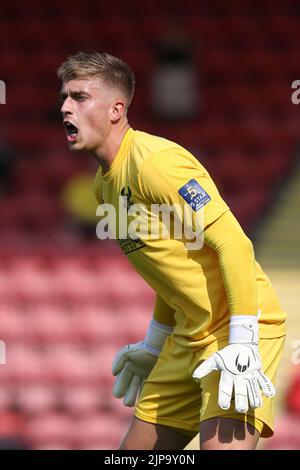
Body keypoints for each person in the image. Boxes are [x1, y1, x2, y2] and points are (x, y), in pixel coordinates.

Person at [57, 52, 286, 450]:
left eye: (79, 97)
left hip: (238, 332)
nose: (64, 107)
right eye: (64, 96)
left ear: (116, 110)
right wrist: (154, 342)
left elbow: (232, 243)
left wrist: (243, 340)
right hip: (187, 337)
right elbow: (169, 270)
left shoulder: (156, 163)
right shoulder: (103, 185)